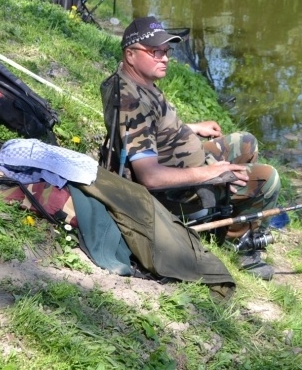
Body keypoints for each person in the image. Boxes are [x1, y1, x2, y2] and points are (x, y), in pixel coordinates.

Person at [104, 16, 281, 279]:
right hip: (178, 192)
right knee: (268, 179)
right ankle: (237, 244)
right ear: (130, 54)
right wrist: (210, 173)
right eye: (155, 52)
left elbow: (149, 129)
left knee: (246, 142)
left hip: (184, 162)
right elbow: (150, 177)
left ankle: (227, 215)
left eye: (166, 51)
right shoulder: (132, 103)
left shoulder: (132, 81)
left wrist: (191, 128)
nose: (164, 58)